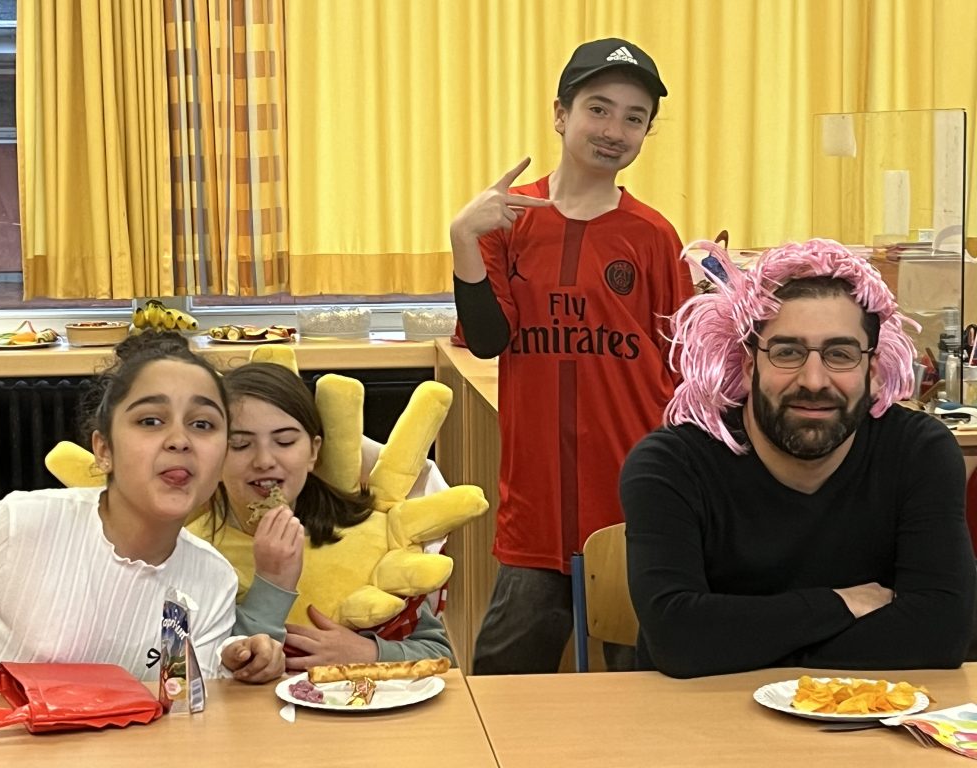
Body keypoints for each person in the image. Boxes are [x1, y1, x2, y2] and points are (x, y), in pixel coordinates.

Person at [620, 238, 977, 678]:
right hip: (699, 716)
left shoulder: (919, 454)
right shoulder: (672, 465)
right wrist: (838, 604)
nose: (813, 380)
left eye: (840, 354)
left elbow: (941, 632)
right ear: (748, 366)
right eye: (787, 352)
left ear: (872, 371)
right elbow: (677, 638)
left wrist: (742, 643)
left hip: (868, 713)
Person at [450, 37, 693, 673]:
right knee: (505, 680)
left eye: (634, 118)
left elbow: (683, 371)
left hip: (629, 500)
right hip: (534, 504)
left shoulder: (653, 235)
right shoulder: (509, 222)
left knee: (641, 684)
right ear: (561, 114)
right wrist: (464, 238)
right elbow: (488, 339)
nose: (614, 130)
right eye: (598, 109)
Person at [0, 331, 284, 683]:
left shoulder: (213, 580)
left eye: (202, 424)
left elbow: (182, 701)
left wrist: (235, 665)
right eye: (150, 421)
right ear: (104, 450)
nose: (179, 441)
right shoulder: (22, 526)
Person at [188, 362, 454, 672]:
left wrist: (368, 653)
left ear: (313, 452)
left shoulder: (366, 535)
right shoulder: (190, 551)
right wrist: (272, 582)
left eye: (285, 442)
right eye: (240, 444)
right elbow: (199, 672)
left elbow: (438, 654)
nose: (264, 460)